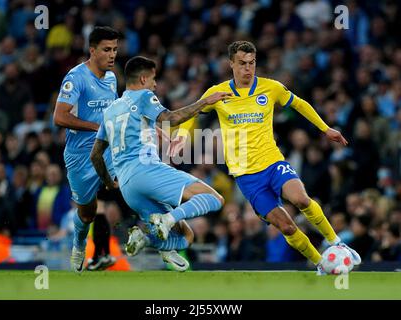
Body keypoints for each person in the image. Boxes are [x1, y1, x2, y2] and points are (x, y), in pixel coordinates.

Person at [171, 40, 361, 274]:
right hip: (246, 177)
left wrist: (325, 128)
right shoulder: (217, 93)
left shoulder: (271, 88)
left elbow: (299, 104)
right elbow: (193, 111)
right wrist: (181, 136)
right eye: (242, 64)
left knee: (301, 199)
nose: (247, 69)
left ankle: (336, 242)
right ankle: (321, 263)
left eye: (251, 63)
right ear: (231, 64)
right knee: (287, 227)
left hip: (272, 162)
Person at [90, 56, 230, 271]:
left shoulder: (111, 110)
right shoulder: (144, 96)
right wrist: (205, 101)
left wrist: (109, 183)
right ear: (144, 78)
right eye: (153, 79)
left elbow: (96, 155)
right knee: (214, 198)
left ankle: (145, 238)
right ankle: (166, 219)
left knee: (186, 236)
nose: (155, 84)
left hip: (127, 186)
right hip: (146, 170)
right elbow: (171, 118)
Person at [53, 26, 122, 272]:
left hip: (106, 152)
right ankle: (80, 244)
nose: (112, 54)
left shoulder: (112, 78)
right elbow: (59, 117)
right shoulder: (76, 78)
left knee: (130, 185)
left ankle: (157, 239)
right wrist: (97, 126)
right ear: (92, 51)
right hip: (79, 157)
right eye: (106, 49)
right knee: (87, 213)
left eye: (114, 49)